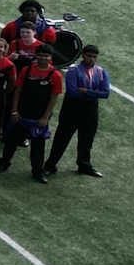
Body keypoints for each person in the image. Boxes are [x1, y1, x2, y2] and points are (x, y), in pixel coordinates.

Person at [0, 45, 63, 183]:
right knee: (11, 141)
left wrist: (45, 118)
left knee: (38, 145)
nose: (43, 58)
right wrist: (14, 111)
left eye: (46, 56)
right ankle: (4, 163)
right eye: (40, 55)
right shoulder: (26, 70)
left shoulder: (55, 75)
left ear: (50, 58)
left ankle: (37, 170)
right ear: (35, 55)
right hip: (21, 114)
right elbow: (17, 91)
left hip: (39, 117)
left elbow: (53, 98)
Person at [45, 44, 107, 179]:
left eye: (94, 57)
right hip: (72, 110)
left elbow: (106, 93)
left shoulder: (101, 71)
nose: (91, 59)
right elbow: (72, 92)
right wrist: (94, 93)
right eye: (89, 56)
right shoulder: (74, 71)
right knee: (62, 138)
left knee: (87, 139)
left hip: (90, 110)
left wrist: (86, 91)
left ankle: (84, 164)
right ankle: (50, 165)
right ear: (83, 56)